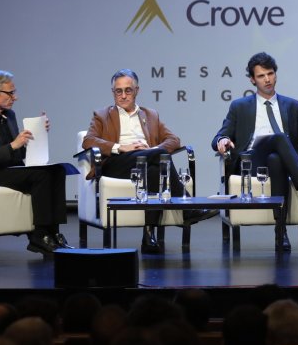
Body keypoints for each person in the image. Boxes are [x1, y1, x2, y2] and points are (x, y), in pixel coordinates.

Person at [211, 52, 298, 251]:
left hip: (281, 163)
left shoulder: (293, 105)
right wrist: (223, 140)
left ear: (276, 74)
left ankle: (281, 232)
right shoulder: (239, 107)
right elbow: (219, 136)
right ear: (253, 80)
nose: (267, 79)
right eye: (261, 76)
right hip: (251, 162)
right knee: (279, 138)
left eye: (270, 74)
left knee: (276, 159)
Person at [82, 69, 215, 253]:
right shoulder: (102, 115)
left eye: (128, 90)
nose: (123, 95)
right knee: (158, 157)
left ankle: (148, 236)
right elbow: (88, 141)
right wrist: (120, 147)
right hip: (116, 164)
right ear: (113, 92)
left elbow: (174, 140)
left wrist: (152, 151)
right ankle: (187, 208)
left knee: (154, 171)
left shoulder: (150, 115)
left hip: (145, 163)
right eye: (118, 91)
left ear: (137, 90)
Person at [0, 70, 70, 255]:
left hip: (5, 169)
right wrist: (13, 145)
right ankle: (39, 236)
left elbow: (18, 152)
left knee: (57, 170)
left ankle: (53, 233)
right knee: (41, 175)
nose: (15, 97)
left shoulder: (9, 115)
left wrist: (38, 134)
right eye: (10, 93)